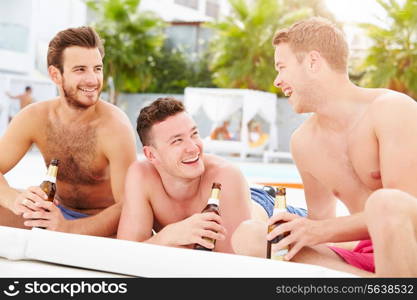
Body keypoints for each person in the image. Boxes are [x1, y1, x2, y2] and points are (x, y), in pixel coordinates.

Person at [234, 17, 417, 277]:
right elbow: (320, 226)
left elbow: (407, 209)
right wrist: (298, 232)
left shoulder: (392, 109)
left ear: (312, 62)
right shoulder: (304, 142)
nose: (277, 80)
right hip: (365, 254)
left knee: (386, 203)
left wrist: (317, 230)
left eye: (282, 67)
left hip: (411, 245)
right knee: (250, 236)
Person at [0, 26, 137, 237]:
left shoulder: (115, 127)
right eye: (80, 69)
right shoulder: (34, 118)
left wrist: (68, 229)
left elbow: (128, 207)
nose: (93, 79)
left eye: (97, 68)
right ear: (55, 74)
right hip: (54, 214)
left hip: (100, 224)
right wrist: (13, 199)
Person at [117, 97, 255, 253]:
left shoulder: (226, 176)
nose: (193, 148)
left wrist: (168, 241)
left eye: (194, 134)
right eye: (177, 140)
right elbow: (126, 253)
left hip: (256, 202)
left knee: (250, 237)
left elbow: (233, 265)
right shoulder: (141, 175)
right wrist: (168, 236)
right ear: (151, 155)